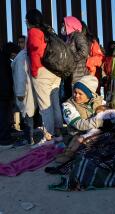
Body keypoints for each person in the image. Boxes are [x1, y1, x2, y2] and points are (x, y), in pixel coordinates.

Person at [57, 75, 115, 163]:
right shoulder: (68, 105)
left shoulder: (99, 101)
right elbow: (78, 124)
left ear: (89, 94)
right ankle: (69, 154)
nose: (76, 95)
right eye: (75, 92)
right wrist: (101, 123)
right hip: (77, 133)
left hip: (96, 131)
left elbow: (109, 112)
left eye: (80, 93)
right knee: (78, 139)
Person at [26, 9, 64, 147]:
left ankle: (49, 137)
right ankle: (59, 135)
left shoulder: (33, 32)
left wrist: (35, 72)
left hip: (42, 72)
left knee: (45, 107)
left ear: (29, 21)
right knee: (55, 104)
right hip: (55, 72)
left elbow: (36, 52)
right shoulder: (48, 31)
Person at [11, 39, 37, 146]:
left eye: (22, 42)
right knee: (29, 114)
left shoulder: (20, 58)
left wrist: (20, 93)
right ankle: (30, 138)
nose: (20, 44)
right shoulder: (27, 55)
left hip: (25, 92)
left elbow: (21, 77)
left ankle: (29, 139)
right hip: (30, 90)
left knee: (27, 115)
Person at [0, 43, 20, 149]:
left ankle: (5, 135)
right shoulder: (3, 61)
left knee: (5, 116)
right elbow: (4, 80)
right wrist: (8, 94)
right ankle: (4, 140)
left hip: (4, 94)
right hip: (3, 94)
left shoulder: (3, 58)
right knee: (3, 116)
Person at [61, 16, 90, 85]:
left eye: (63, 25)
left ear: (70, 25)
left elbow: (84, 51)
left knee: (76, 94)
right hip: (69, 74)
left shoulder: (78, 35)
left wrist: (71, 59)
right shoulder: (68, 38)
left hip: (78, 74)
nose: (62, 28)